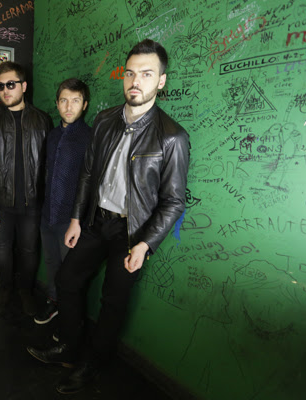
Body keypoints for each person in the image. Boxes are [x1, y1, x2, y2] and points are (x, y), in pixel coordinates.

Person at [27, 39, 190, 394]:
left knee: (113, 302)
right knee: (68, 280)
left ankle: (93, 364)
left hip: (132, 233)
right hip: (95, 221)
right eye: (130, 73)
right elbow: (88, 173)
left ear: (161, 81)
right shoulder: (104, 119)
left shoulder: (173, 137)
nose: (136, 81)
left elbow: (174, 201)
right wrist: (76, 219)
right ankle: (69, 348)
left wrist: (145, 245)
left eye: (146, 74)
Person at [0, 61, 53, 317]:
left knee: (30, 250)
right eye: (0, 86)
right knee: (2, 249)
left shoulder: (42, 120)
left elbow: (49, 165)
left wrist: (47, 202)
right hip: (1, 203)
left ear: (24, 86)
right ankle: (5, 290)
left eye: (11, 84)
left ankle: (25, 292)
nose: (5, 90)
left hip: (33, 202)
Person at [35, 78, 92, 325]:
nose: (69, 107)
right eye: (64, 101)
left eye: (75, 101)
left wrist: (77, 220)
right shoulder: (52, 135)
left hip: (71, 220)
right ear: (57, 104)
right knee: (51, 264)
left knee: (71, 274)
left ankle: (70, 321)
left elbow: (90, 183)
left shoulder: (90, 138)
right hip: (48, 214)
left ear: (85, 105)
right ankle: (54, 302)